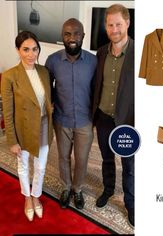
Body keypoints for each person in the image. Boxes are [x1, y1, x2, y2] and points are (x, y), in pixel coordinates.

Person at [1, 31, 53, 221]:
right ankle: (26, 198)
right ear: (18, 50)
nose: (31, 54)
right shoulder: (9, 76)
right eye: (26, 50)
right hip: (22, 129)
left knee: (40, 167)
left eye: (35, 49)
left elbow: (47, 99)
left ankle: (36, 196)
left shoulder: (44, 72)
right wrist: (12, 140)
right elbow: (8, 111)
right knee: (23, 165)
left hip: (44, 126)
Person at [45, 18, 97, 210]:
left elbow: (97, 89)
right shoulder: (52, 61)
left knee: (82, 158)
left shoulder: (94, 61)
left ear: (83, 36)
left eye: (76, 33)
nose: (72, 37)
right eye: (67, 34)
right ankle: (66, 186)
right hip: (62, 119)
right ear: (62, 36)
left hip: (85, 121)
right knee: (63, 156)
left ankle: (77, 189)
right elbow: (47, 89)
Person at [92, 4, 134, 227]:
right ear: (106, 27)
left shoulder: (141, 53)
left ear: (127, 23)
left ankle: (131, 204)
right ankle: (107, 190)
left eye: (118, 24)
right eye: (110, 25)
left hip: (128, 122)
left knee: (129, 165)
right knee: (107, 159)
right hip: (104, 119)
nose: (114, 29)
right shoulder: (100, 53)